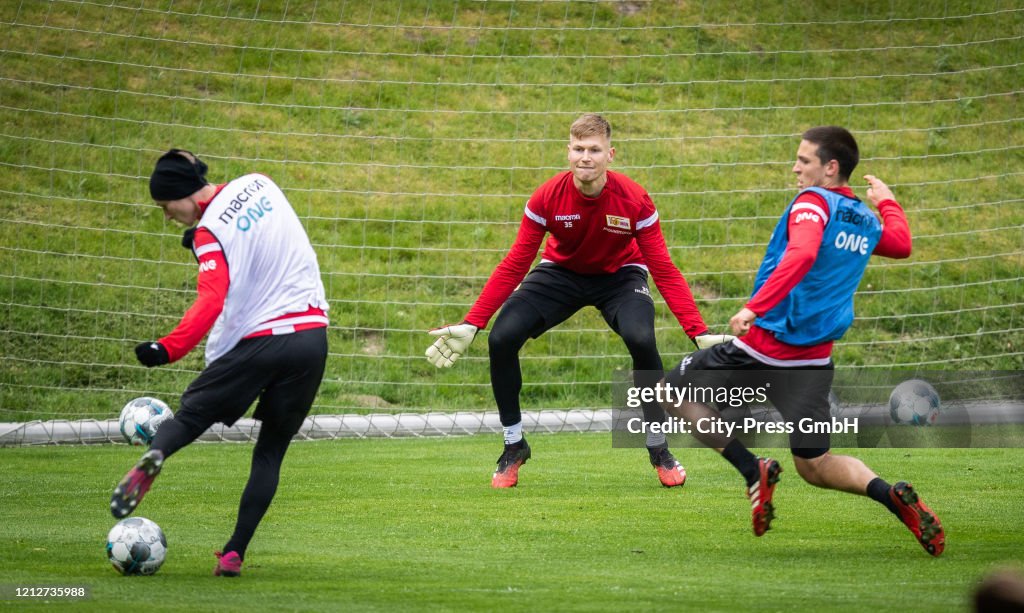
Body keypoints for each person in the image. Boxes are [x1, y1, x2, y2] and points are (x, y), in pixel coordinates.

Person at [660, 126, 945, 555]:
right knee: (815, 464)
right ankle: (891, 496)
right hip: (812, 364)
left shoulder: (812, 203)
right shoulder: (865, 219)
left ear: (831, 168)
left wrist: (754, 307)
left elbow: (803, 253)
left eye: (804, 160)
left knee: (668, 391)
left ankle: (751, 469)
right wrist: (886, 201)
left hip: (764, 349)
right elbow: (901, 244)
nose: (795, 167)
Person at [425, 113, 731, 488]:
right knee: (502, 338)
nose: (586, 157)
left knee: (641, 338)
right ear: (568, 152)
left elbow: (663, 268)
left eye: (594, 149)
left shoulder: (635, 200)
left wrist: (697, 330)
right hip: (560, 273)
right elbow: (515, 262)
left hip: (621, 277)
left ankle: (658, 446)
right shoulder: (546, 197)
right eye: (578, 148)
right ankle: (513, 444)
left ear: (610, 154)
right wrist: (474, 321)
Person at [110, 149, 330, 577]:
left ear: (178, 194)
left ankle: (157, 452)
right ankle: (234, 552)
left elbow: (212, 300)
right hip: (311, 336)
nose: (167, 216)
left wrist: (166, 348)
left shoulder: (209, 233)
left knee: (192, 416)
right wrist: (203, 238)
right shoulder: (261, 183)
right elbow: (257, 236)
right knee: (270, 453)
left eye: (165, 207)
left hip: (261, 342)